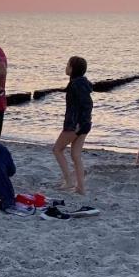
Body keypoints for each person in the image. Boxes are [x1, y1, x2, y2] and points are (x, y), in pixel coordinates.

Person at [52, 56, 92, 194]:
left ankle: (69, 181)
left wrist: (79, 123)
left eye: (68, 64)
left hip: (75, 124)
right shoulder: (81, 83)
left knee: (57, 149)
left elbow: (87, 104)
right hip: (83, 124)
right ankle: (80, 187)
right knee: (75, 155)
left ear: (72, 68)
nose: (66, 67)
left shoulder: (76, 84)